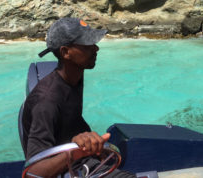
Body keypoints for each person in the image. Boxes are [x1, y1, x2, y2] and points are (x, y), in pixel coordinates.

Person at [22, 17, 135, 178]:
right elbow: (32, 173)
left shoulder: (74, 76)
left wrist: (88, 141)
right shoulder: (47, 101)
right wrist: (76, 152)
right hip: (67, 166)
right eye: (87, 45)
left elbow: (71, 119)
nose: (96, 48)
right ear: (66, 52)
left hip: (80, 154)